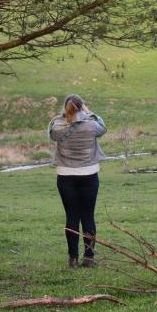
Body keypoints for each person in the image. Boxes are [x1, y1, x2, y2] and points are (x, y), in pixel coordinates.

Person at [48, 94, 106, 268]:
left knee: (71, 216)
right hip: (89, 173)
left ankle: (72, 257)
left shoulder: (58, 127)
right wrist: (90, 112)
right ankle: (89, 257)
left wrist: (64, 116)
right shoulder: (91, 125)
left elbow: (51, 131)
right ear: (83, 108)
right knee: (88, 215)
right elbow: (103, 128)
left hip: (65, 175)